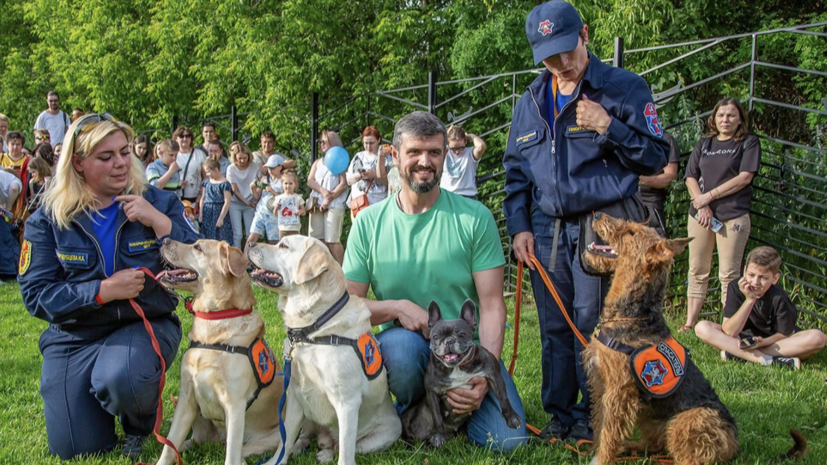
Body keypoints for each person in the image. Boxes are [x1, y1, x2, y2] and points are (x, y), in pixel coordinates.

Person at [503, 0, 669, 441]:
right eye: (549, 56)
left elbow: (656, 157)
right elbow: (515, 173)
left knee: (597, 325)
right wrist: (519, 227)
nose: (561, 63)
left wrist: (608, 125)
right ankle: (561, 415)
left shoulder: (625, 88)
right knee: (554, 325)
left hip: (605, 224)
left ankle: (602, 417)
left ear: (585, 35)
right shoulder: (531, 101)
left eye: (567, 50)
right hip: (546, 228)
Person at [18, 113, 201, 460]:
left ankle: (138, 422)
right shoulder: (48, 217)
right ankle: (95, 403)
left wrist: (159, 222)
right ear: (78, 163)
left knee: (123, 378)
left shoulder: (159, 202)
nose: (121, 164)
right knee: (75, 449)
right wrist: (102, 290)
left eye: (124, 152)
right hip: (74, 336)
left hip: (143, 323)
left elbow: (202, 261)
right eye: (106, 157)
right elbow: (36, 295)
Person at [344, 111, 527, 452]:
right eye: (414, 152)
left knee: (510, 442)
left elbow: (490, 306)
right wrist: (398, 307)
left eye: (434, 152)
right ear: (394, 156)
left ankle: (458, 406)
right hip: (412, 351)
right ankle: (418, 407)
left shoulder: (475, 218)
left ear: (445, 155)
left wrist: (480, 378)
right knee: (399, 350)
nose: (424, 162)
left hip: (469, 351)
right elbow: (348, 307)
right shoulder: (368, 223)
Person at [681, 97, 760, 333]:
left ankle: (729, 326)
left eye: (731, 115)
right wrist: (701, 203)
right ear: (714, 118)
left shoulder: (748, 143)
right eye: (721, 115)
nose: (725, 120)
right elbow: (690, 177)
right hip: (700, 216)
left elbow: (745, 177)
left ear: (740, 119)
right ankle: (689, 322)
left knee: (729, 273)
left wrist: (710, 196)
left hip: (732, 215)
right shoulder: (704, 144)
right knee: (697, 269)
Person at [695, 246, 826, 370]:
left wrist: (763, 342)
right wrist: (750, 300)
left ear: (775, 279)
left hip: (772, 342)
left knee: (818, 337)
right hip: (739, 339)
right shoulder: (735, 287)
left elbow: (785, 334)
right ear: (744, 271)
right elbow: (729, 332)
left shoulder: (779, 297)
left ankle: (738, 355)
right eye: (751, 275)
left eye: (763, 278)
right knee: (702, 327)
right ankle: (767, 360)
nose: (755, 282)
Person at [307, 130, 348, 264]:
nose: (322, 144)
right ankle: (322, 269)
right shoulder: (318, 162)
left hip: (334, 205)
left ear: (333, 142)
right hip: (317, 205)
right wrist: (323, 191)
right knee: (317, 239)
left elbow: (343, 184)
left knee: (332, 240)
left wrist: (328, 199)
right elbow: (310, 180)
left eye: (325, 141)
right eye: (321, 142)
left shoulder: (340, 159)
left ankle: (343, 272)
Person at [346, 126, 392, 218]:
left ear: (379, 140)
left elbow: (391, 184)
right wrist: (359, 175)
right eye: (365, 143)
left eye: (371, 143)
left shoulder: (387, 157)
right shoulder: (358, 157)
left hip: (378, 205)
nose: (368, 146)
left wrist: (375, 175)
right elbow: (348, 180)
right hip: (358, 205)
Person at [638, 131, 680, 232]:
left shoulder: (665, 138)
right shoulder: (628, 136)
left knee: (657, 245)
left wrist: (641, 179)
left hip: (649, 203)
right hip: (626, 202)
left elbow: (670, 177)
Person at [440, 125, 487, 200]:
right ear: (448, 143)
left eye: (461, 148)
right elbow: (432, 144)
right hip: (447, 195)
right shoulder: (445, 151)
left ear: (465, 142)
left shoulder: (470, 153)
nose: (457, 152)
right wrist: (446, 134)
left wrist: (471, 136)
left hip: (467, 195)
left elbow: (481, 146)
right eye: (453, 148)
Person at [226, 141, 259, 249]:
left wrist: (255, 198)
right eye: (239, 158)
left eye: (245, 158)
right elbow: (234, 190)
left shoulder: (254, 167)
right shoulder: (231, 169)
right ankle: (237, 257)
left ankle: (249, 257)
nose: (242, 161)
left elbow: (260, 183)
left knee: (250, 233)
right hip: (236, 203)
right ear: (234, 157)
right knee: (238, 233)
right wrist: (246, 202)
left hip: (251, 204)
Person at [247, 154, 285, 246]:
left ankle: (272, 260)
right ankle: (244, 259)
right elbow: (256, 196)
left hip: (274, 214)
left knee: (274, 242)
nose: (270, 170)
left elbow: (286, 198)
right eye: (268, 168)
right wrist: (252, 188)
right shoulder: (264, 179)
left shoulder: (284, 181)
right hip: (261, 212)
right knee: (252, 238)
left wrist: (272, 191)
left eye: (272, 168)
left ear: (280, 167)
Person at [199, 158, 233, 243]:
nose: (207, 174)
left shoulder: (225, 184)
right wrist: (200, 214)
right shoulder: (206, 183)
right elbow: (202, 198)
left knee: (220, 238)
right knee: (207, 238)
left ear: (216, 169)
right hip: (207, 213)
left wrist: (221, 218)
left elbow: (227, 202)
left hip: (219, 212)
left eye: (208, 171)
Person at [173, 126, 207, 205]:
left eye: (188, 136)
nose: (185, 139)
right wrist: (177, 184)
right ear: (176, 138)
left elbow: (206, 177)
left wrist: (201, 194)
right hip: (177, 197)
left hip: (195, 198)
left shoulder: (199, 154)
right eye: (181, 136)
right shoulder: (173, 154)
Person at [272, 171, 305, 238]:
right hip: (283, 228)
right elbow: (275, 213)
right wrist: (276, 208)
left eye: (290, 183)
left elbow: (304, 211)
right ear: (282, 184)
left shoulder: (298, 197)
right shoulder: (278, 198)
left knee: (295, 247)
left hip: (295, 228)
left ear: (295, 184)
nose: (288, 186)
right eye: (286, 183)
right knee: (283, 247)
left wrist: (300, 211)